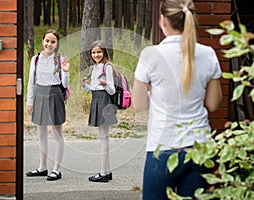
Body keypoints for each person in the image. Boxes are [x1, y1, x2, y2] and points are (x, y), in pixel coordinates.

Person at [132, 0, 222, 199]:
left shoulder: (151, 54)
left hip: (163, 147)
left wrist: (152, 95)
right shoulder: (208, 54)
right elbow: (213, 104)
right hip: (200, 147)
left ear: (162, 21)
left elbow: (138, 105)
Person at [25, 29, 70, 181]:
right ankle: (42, 167)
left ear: (57, 44)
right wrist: (29, 103)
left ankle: (56, 169)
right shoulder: (35, 59)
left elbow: (64, 84)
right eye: (47, 41)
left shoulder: (60, 59)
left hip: (54, 94)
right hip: (40, 94)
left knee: (57, 133)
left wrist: (66, 71)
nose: (49, 44)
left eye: (53, 42)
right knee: (41, 133)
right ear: (42, 41)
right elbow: (31, 82)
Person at [81, 40, 117, 182]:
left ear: (104, 52)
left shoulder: (107, 67)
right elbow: (95, 89)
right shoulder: (93, 68)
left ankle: (103, 173)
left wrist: (105, 83)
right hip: (97, 100)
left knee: (104, 138)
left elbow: (112, 90)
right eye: (94, 52)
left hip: (104, 102)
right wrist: (86, 86)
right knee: (103, 138)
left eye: (99, 52)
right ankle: (107, 172)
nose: (96, 55)